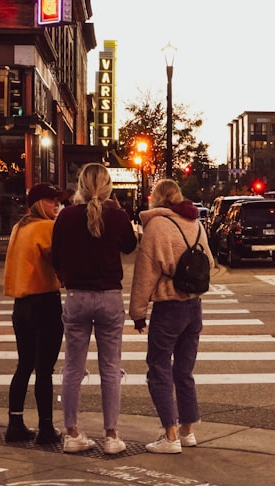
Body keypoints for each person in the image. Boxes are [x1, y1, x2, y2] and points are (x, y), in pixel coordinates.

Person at [51, 163, 138, 455]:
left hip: (77, 296)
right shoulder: (117, 216)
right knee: (111, 368)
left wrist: (67, 278)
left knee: (73, 368)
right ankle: (111, 435)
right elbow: (129, 246)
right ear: (107, 186)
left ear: (81, 185)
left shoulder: (65, 216)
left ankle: (72, 431)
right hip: (109, 296)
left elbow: (56, 255)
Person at [129, 179, 215, 454]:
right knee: (184, 371)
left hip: (169, 306)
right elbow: (210, 262)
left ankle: (170, 435)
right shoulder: (195, 223)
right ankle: (188, 429)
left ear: (157, 198)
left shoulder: (156, 226)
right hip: (194, 304)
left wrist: (138, 312)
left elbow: (145, 274)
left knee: (158, 368)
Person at [3, 183, 67, 444]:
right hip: (45, 303)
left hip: (21, 307)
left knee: (24, 365)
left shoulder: (19, 228)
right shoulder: (47, 228)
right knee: (44, 369)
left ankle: (15, 423)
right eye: (52, 201)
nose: (57, 206)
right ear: (40, 203)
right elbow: (59, 261)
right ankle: (46, 428)